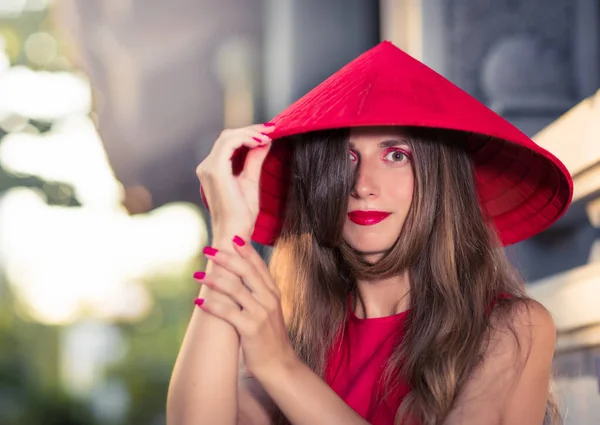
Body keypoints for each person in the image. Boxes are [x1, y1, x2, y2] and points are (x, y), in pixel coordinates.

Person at [166, 41, 572, 425]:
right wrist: (228, 235)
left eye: (396, 155)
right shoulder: (290, 335)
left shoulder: (512, 328)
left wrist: (279, 367)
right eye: (346, 157)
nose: (362, 184)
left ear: (440, 182)